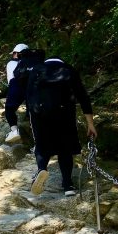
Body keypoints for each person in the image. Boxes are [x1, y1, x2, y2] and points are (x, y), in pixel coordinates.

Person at [26, 57, 97, 197]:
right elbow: (83, 96)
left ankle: (41, 169)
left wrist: (32, 117)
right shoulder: (69, 69)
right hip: (64, 113)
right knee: (65, 148)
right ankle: (67, 185)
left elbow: (29, 96)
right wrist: (90, 124)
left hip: (40, 113)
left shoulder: (36, 70)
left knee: (41, 145)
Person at [4, 43, 29, 143]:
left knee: (9, 109)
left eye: (13, 53)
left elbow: (10, 79)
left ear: (16, 53)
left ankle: (14, 131)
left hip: (15, 85)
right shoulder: (32, 63)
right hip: (31, 85)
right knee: (32, 113)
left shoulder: (10, 63)